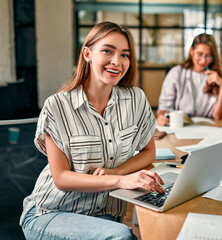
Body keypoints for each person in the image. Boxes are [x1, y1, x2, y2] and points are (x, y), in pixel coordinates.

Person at [20, 22, 165, 240]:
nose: (117, 61)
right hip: (52, 212)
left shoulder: (136, 100)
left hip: (103, 214)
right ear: (87, 54)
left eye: (125, 55)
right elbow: (61, 178)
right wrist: (122, 180)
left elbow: (148, 152)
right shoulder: (57, 106)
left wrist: (117, 171)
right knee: (123, 237)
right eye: (107, 51)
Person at [157, 33, 222, 126]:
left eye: (208, 56)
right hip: (180, 127)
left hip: (207, 128)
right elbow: (164, 108)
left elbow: (217, 116)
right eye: (199, 54)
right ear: (191, 51)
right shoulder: (176, 73)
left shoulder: (219, 75)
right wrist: (162, 117)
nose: (203, 61)